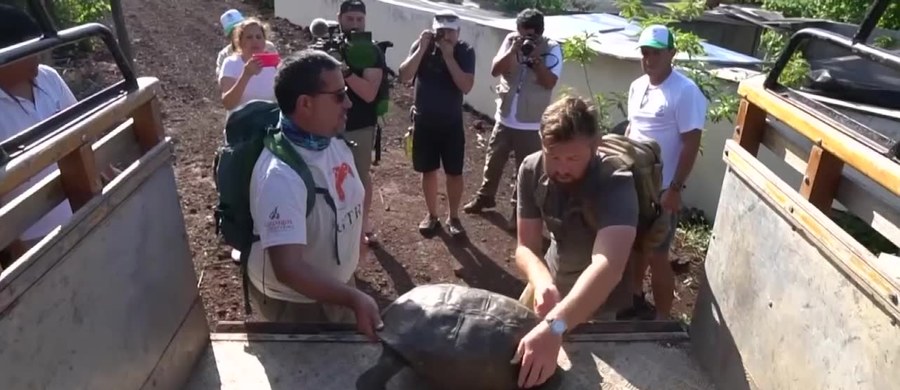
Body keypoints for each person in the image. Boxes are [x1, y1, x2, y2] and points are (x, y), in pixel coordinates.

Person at [245, 49, 382, 340]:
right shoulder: (280, 177)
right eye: (338, 95)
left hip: (336, 290)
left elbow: (355, 190)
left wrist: (357, 236)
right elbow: (289, 269)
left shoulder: (329, 138)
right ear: (305, 104)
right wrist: (353, 298)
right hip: (298, 306)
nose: (348, 103)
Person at [512, 96, 638, 388]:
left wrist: (555, 327)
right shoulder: (531, 169)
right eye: (553, 156)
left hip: (602, 302)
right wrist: (542, 282)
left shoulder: (615, 180)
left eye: (573, 159)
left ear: (594, 149)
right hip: (553, 288)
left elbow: (608, 267)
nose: (562, 168)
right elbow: (526, 248)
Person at [621, 25, 707, 320]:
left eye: (656, 52)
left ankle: (661, 319)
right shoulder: (637, 86)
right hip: (634, 183)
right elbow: (633, 130)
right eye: (645, 52)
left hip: (663, 189)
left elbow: (691, 142)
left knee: (658, 254)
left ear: (672, 53)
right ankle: (634, 296)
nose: (649, 59)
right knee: (634, 246)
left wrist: (675, 188)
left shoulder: (684, 91)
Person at [462, 8, 562, 230]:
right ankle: (485, 196)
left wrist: (537, 61)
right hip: (506, 116)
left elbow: (550, 82)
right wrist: (513, 51)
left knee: (525, 170)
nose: (525, 38)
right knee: (493, 160)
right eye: (521, 32)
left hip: (531, 122)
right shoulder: (511, 41)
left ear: (539, 33)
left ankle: (518, 212)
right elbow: (495, 70)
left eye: (530, 35)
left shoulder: (552, 48)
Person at [0, 4, 76, 267]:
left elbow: (84, 134)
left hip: (79, 210)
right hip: (30, 239)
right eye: (27, 50)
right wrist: (16, 252)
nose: (38, 56)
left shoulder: (50, 79)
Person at [397, 10, 475, 237]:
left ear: (458, 32)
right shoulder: (423, 46)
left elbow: (466, 86)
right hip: (424, 121)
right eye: (441, 30)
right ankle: (432, 215)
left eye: (450, 31)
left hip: (451, 123)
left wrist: (449, 56)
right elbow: (403, 76)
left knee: (454, 172)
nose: (445, 35)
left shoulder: (464, 51)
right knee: (428, 170)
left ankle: (454, 216)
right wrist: (421, 48)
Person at [335, 0, 386, 246]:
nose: (355, 24)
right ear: (339, 19)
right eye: (350, 19)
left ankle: (362, 224)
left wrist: (343, 71)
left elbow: (368, 93)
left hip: (360, 124)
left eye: (359, 19)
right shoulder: (329, 46)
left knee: (359, 175)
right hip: (327, 124)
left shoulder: (372, 51)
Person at [218, 17, 277, 113]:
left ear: (264, 41)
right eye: (249, 37)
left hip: (270, 125)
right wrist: (246, 74)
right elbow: (228, 104)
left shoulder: (273, 64)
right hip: (240, 125)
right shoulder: (230, 63)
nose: (255, 40)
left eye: (259, 37)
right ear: (240, 42)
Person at [216, 9, 277, 77]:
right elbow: (223, 83)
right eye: (233, 31)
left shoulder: (268, 47)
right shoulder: (224, 55)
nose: (237, 33)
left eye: (239, 29)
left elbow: (276, 72)